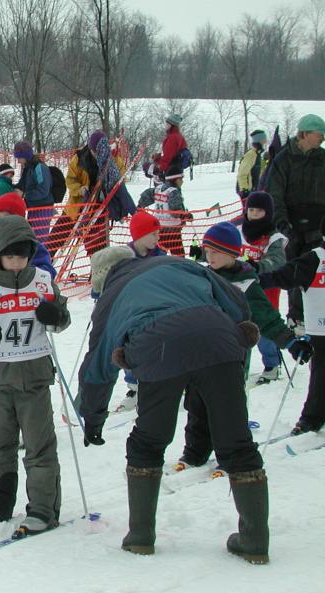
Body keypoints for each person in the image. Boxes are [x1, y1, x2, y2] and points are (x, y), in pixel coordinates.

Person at [79, 247, 269, 564]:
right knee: (236, 441)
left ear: (103, 279)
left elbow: (98, 366)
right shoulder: (179, 263)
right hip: (217, 338)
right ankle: (255, 540)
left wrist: (92, 417)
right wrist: (238, 327)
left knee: (149, 440)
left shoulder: (112, 296)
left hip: (156, 346)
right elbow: (234, 301)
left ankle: (140, 537)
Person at [0, 215, 70, 537]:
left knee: (39, 446)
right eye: (10, 256)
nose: (17, 263)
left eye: (22, 255)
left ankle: (43, 509)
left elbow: (62, 319)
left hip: (34, 377)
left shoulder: (43, 281)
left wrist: (55, 315)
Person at [176, 222, 312, 475]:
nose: (210, 255)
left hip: (232, 358)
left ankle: (231, 455)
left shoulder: (246, 283)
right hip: (200, 357)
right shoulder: (202, 277)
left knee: (228, 408)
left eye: (217, 251)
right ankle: (195, 452)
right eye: (207, 250)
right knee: (196, 406)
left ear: (233, 253)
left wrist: (290, 341)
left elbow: (267, 318)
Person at [258, 240, 325, 436]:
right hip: (321, 329)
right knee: (320, 376)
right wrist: (254, 275)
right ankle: (312, 418)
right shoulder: (316, 258)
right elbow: (284, 276)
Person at [267, 113, 325, 328]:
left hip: (317, 227)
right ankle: (296, 316)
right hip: (291, 225)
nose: (322, 138)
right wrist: (282, 222)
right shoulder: (284, 159)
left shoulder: (322, 159)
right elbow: (274, 193)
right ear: (305, 133)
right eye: (320, 134)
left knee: (317, 271)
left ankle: (315, 315)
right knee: (295, 271)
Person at [114, 210, 167, 412]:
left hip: (155, 313)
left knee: (156, 349)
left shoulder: (161, 256)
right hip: (130, 314)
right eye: (153, 234)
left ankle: (159, 385)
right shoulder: (124, 257)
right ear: (139, 235)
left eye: (158, 234)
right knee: (128, 350)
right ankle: (134, 388)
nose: (157, 238)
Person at [238, 191, 288, 384]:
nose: (254, 214)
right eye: (251, 210)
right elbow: (227, 249)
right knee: (241, 326)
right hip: (242, 288)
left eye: (259, 211)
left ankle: (272, 364)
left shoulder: (274, 238)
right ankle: (239, 365)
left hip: (264, 289)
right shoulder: (240, 231)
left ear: (267, 213)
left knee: (265, 328)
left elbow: (277, 260)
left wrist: (259, 266)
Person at [49, 130, 120, 258]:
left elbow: (121, 178)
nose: (96, 155)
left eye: (99, 152)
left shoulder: (112, 158)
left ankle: (98, 276)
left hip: (98, 213)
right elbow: (70, 179)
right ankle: (42, 267)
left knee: (97, 251)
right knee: (53, 241)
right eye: (94, 151)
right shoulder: (79, 158)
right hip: (75, 208)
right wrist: (79, 189)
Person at [138, 165, 191, 256]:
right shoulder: (173, 191)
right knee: (178, 254)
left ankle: (157, 265)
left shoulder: (158, 188)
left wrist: (140, 206)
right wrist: (186, 216)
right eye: (181, 179)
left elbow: (146, 195)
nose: (182, 181)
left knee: (160, 252)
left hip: (159, 227)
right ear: (175, 179)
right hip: (172, 230)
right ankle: (179, 267)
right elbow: (175, 211)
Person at [13, 142, 55, 244]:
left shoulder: (39, 167)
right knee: (32, 240)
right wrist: (9, 185)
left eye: (19, 157)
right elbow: (22, 185)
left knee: (40, 242)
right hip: (33, 209)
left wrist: (24, 195)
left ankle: (44, 260)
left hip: (43, 209)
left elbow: (43, 190)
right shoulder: (28, 167)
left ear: (26, 156)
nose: (18, 161)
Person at [236, 129, 268, 199]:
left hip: (254, 190)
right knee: (249, 210)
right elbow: (242, 174)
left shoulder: (258, 154)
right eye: (264, 137)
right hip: (247, 191)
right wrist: (244, 190)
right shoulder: (251, 155)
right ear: (260, 139)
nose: (266, 139)